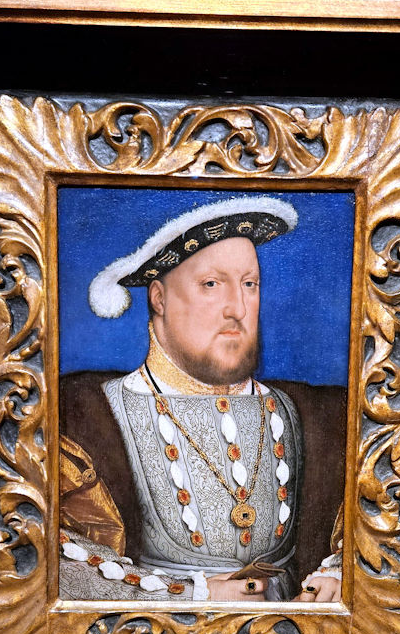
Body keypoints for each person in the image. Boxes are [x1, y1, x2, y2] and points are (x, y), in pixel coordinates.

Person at [58, 196, 345, 603]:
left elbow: (377, 518)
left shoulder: (316, 413)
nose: (237, 308)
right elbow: (44, 554)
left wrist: (339, 574)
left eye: (249, 285)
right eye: (212, 285)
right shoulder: (83, 416)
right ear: (159, 298)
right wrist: (190, 595)